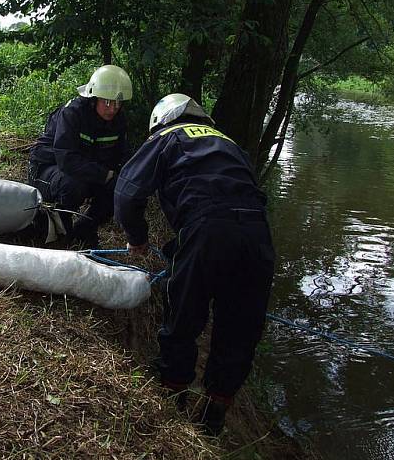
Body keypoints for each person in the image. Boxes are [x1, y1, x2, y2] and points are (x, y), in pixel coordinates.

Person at [114, 93, 275, 437]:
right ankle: (215, 412)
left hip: (207, 229)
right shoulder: (229, 143)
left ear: (160, 121)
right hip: (257, 235)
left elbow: (127, 193)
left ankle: (171, 402)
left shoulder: (167, 137)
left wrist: (138, 238)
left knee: (183, 315)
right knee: (240, 327)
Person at [29, 64, 132, 248]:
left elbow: (123, 156)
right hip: (49, 170)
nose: (113, 108)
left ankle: (85, 229)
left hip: (88, 170)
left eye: (118, 103)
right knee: (73, 185)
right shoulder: (73, 113)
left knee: (118, 189)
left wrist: (120, 179)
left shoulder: (119, 120)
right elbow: (66, 159)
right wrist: (105, 175)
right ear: (94, 97)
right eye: (107, 102)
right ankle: (60, 232)